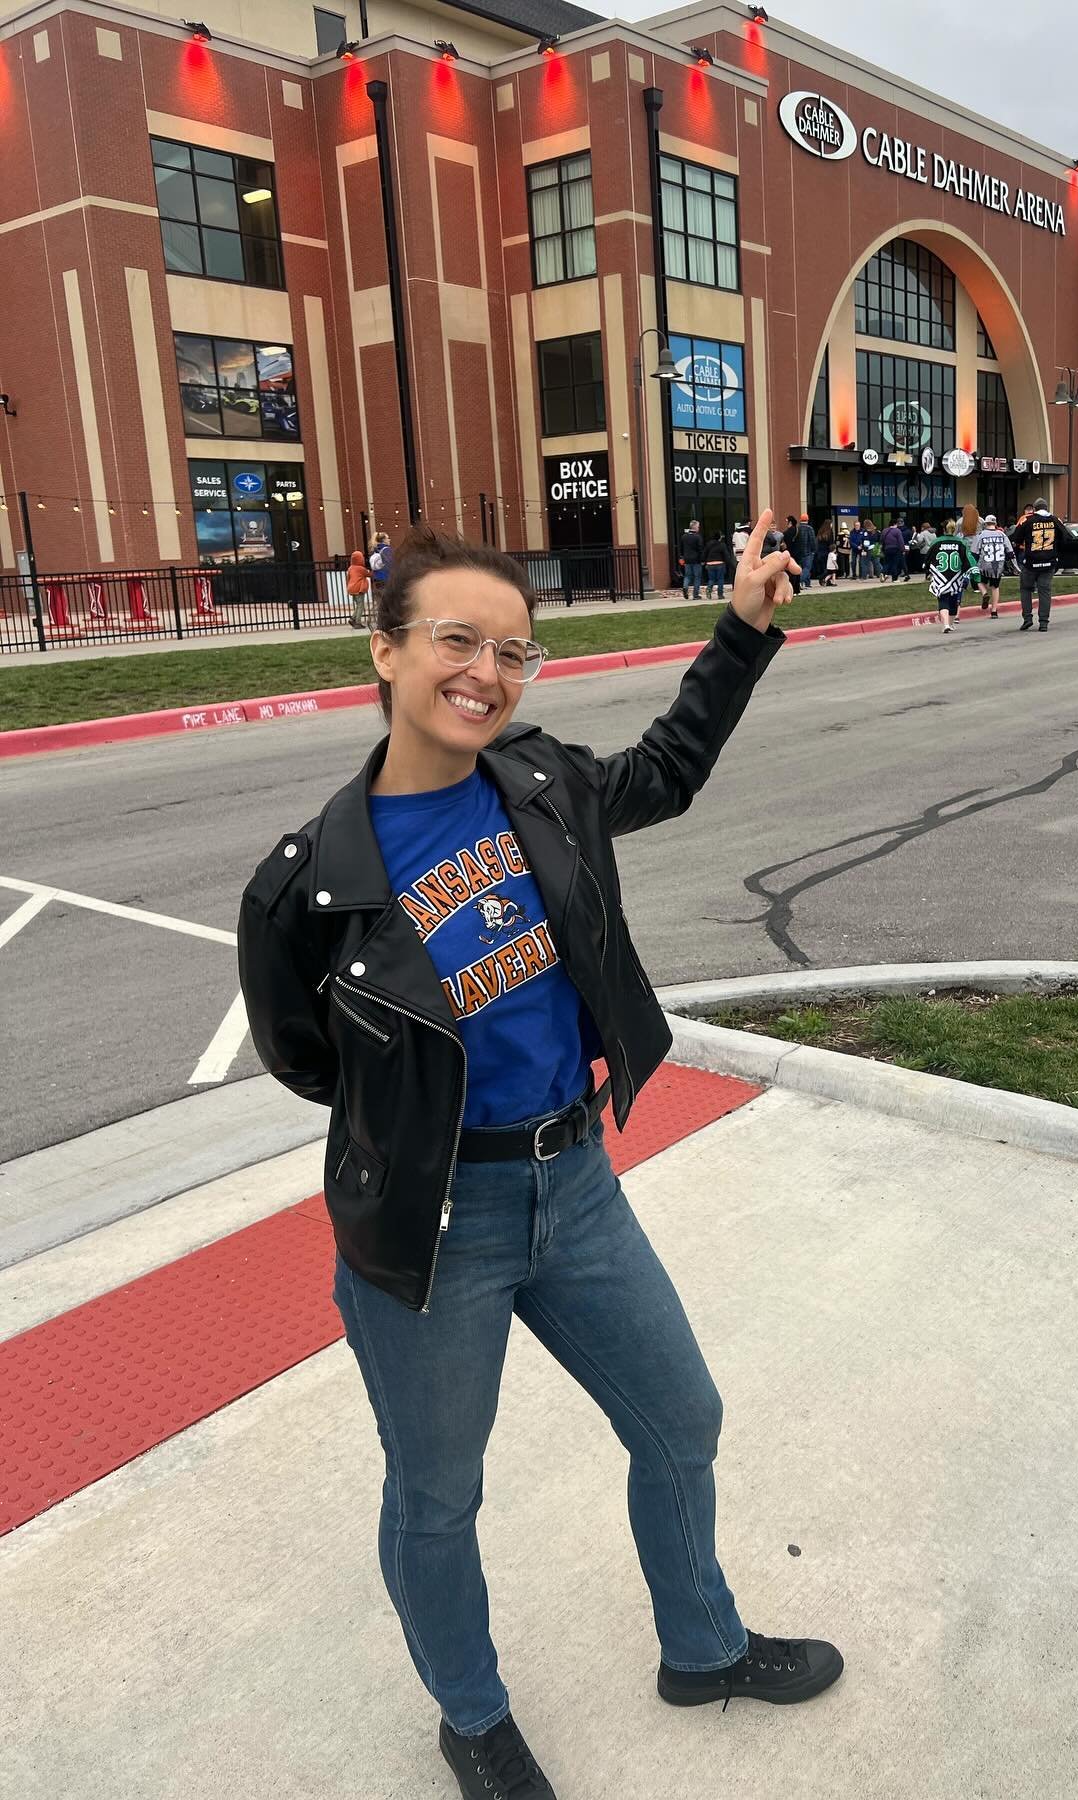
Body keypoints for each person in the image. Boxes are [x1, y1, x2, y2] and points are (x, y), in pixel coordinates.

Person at [237, 516, 840, 1800]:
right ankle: (472, 1717)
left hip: (575, 1185)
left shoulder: (544, 787)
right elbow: (305, 1055)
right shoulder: (309, 883)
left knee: (682, 1417)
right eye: (457, 640)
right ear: (386, 652)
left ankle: (705, 1647)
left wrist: (743, 629)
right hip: (435, 1227)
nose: (487, 672)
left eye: (513, 651)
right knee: (439, 1493)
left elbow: (670, 770)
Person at [1009, 496, 1074, 633]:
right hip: (1049, 563)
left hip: (1030, 563)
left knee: (1026, 589)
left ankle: (1027, 618)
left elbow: (1016, 538)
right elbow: (1067, 538)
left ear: (1034, 509)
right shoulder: (1055, 520)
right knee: (1045, 591)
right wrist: (1056, 550)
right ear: (1046, 508)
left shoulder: (1028, 521)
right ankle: (1043, 622)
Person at [925, 522, 975, 634]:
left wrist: (928, 571)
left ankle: (946, 624)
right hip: (956, 576)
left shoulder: (937, 542)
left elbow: (928, 559)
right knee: (953, 601)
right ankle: (950, 624)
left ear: (943, 530)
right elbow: (967, 561)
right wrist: (966, 574)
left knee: (943, 600)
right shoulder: (961, 542)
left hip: (940, 576)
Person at [973, 513, 1010, 616]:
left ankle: (984, 593)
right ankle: (994, 611)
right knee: (995, 587)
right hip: (998, 566)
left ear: (985, 524)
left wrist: (973, 565)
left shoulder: (981, 535)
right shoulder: (1002, 535)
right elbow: (1010, 551)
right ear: (995, 523)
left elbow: (975, 552)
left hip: (984, 565)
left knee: (979, 581)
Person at [346, 547, 372, 629]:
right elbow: (370, 574)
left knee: (358, 605)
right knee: (361, 606)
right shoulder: (361, 569)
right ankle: (357, 622)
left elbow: (348, 578)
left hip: (351, 588)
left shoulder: (350, 568)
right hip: (358, 589)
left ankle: (352, 619)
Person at [680, 519, 705, 599]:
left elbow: (681, 548)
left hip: (687, 559)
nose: (699, 528)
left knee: (687, 575)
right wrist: (702, 560)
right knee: (697, 577)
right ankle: (695, 595)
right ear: (695, 527)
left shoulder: (684, 536)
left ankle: (685, 586)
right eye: (698, 526)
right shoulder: (698, 537)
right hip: (696, 559)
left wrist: (682, 557)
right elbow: (700, 549)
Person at [880, 515, 909, 583]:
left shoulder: (884, 530)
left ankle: (883, 572)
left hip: (887, 549)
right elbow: (901, 541)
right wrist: (903, 550)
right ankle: (894, 578)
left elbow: (881, 540)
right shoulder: (897, 531)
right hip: (896, 549)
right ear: (895, 524)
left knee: (887, 563)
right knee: (894, 563)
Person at [793, 513, 818, 589]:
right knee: (807, 568)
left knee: (802, 568)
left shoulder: (797, 528)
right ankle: (799, 581)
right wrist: (814, 550)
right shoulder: (809, 528)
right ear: (807, 519)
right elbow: (812, 540)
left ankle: (807, 583)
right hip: (808, 552)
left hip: (799, 552)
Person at [814, 519, 838, 587]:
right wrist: (834, 552)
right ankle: (822, 578)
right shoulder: (830, 533)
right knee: (829, 569)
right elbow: (831, 543)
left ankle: (826, 581)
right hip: (827, 553)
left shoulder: (820, 532)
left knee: (824, 567)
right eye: (831, 524)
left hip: (820, 553)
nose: (832, 525)